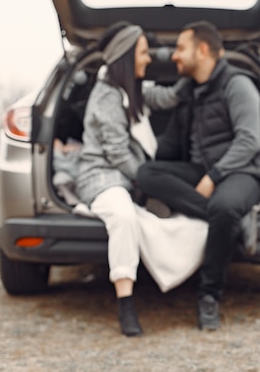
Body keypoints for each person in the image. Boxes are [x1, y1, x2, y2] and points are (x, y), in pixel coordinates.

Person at [136, 20, 260, 330]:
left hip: (246, 169)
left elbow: (249, 141)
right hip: (205, 167)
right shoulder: (190, 88)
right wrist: (126, 82)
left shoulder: (237, 84)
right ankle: (235, 224)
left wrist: (214, 175)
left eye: (181, 49)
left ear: (202, 50)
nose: (175, 56)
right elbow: (162, 99)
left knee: (224, 205)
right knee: (146, 174)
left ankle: (209, 295)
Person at [74, 22, 184, 337]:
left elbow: (163, 97)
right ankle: (125, 302)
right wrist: (151, 182)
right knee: (123, 216)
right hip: (101, 175)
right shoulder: (106, 97)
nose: (149, 59)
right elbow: (118, 155)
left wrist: (192, 76)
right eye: (143, 53)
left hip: (128, 174)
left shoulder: (131, 88)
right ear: (125, 56)